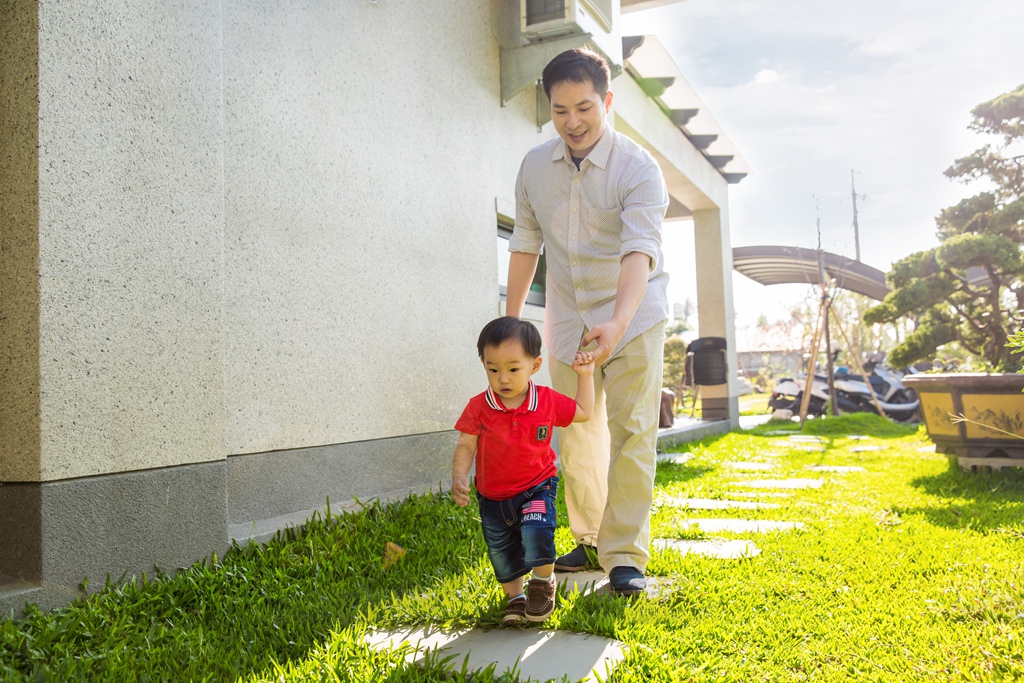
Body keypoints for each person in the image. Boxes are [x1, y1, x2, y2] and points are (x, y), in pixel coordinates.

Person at [505, 47, 669, 596]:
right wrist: (510, 327)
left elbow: (639, 252)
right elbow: (526, 243)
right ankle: (591, 535)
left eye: (584, 108)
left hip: (633, 315)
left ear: (607, 102)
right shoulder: (534, 166)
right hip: (567, 318)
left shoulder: (638, 169)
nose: (572, 122)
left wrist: (618, 322)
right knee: (575, 433)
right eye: (559, 110)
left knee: (632, 432)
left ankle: (624, 556)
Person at [451, 316, 595, 625]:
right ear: (484, 365)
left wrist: (585, 376)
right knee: (502, 551)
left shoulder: (545, 401)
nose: (503, 378)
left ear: (535, 365)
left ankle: (543, 582)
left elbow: (584, 412)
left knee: (536, 529)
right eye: (493, 369)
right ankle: (515, 597)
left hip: (537, 485)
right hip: (492, 497)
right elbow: (466, 444)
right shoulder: (479, 406)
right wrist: (459, 476)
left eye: (513, 369)